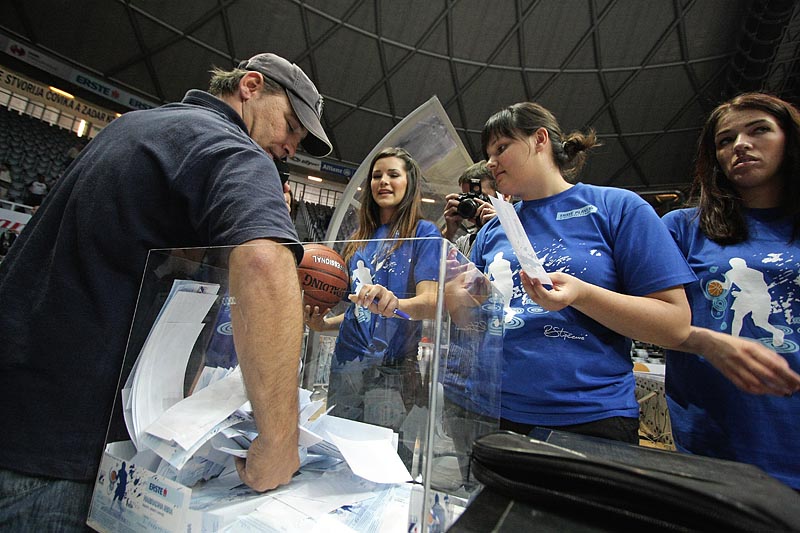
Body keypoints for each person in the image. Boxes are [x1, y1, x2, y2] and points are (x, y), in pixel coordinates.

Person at [0, 52, 333, 530]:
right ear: (251, 87)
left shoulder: (131, 127)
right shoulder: (232, 148)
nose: (290, 147)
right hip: (68, 448)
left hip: (21, 404)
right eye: (291, 125)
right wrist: (280, 441)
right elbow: (264, 261)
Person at [470, 101, 697, 443]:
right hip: (493, 412)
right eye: (489, 153)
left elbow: (674, 325)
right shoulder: (494, 229)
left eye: (502, 148)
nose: (491, 162)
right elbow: (471, 316)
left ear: (540, 139)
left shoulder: (617, 208)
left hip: (589, 418)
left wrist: (583, 295)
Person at [661, 92, 800, 490]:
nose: (741, 144)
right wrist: (704, 341)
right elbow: (647, 317)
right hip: (717, 438)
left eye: (759, 131)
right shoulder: (682, 228)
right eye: (725, 140)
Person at [303, 147, 440, 435]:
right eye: (377, 176)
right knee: (340, 451)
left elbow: (431, 302)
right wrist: (324, 324)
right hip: (346, 364)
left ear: (409, 182)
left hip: (393, 367)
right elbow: (359, 311)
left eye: (393, 174)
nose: (383, 182)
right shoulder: (358, 240)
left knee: (384, 463)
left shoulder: (424, 233)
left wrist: (395, 302)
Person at [441, 160, 500, 257]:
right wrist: (448, 234)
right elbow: (433, 267)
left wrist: (499, 224)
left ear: (505, 196)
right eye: (468, 197)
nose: (473, 203)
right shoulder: (465, 243)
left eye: (480, 196)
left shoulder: (522, 228)